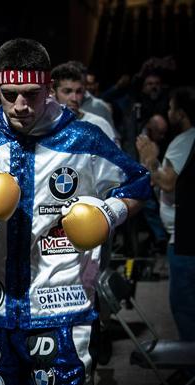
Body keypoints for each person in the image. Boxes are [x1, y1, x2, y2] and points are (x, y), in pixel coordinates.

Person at [0, 38, 151, 385]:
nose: (20, 105)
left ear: (48, 88)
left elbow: (138, 185)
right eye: (10, 94)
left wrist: (108, 213)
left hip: (62, 311)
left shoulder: (83, 139)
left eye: (32, 93)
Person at [137, 87, 195, 342]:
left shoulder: (185, 140)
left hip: (184, 238)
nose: (168, 112)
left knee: (184, 305)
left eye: (171, 108)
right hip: (183, 236)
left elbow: (169, 183)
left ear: (180, 114)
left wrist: (150, 159)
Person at [51, 62, 120, 146]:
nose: (74, 98)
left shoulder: (99, 124)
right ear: (53, 93)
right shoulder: (44, 125)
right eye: (67, 91)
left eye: (79, 92)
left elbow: (116, 158)